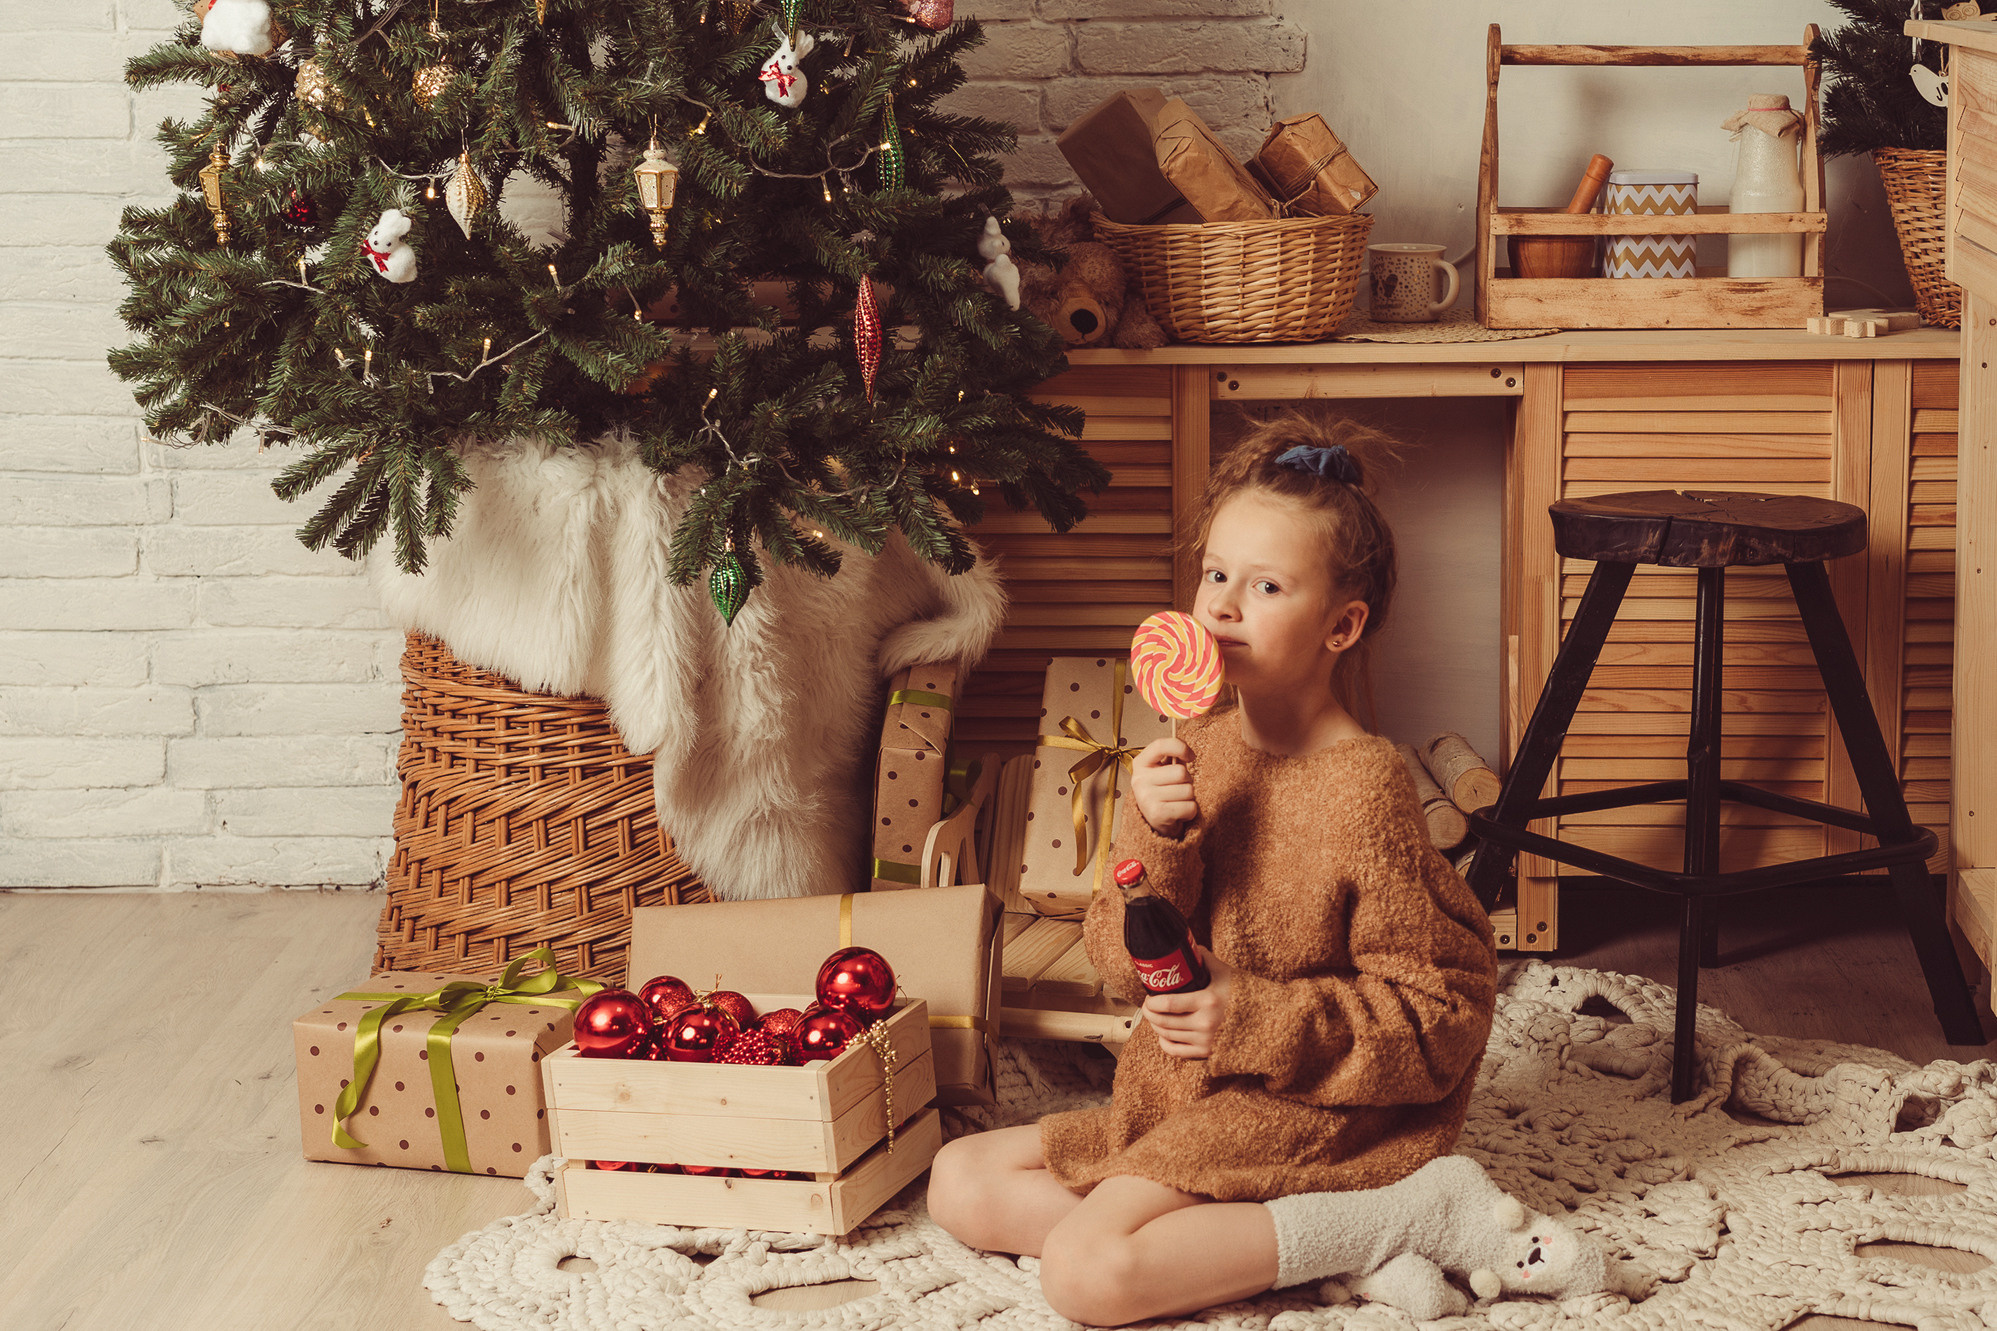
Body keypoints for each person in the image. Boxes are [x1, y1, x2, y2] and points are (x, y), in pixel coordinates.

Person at [926, 411, 1499, 1326]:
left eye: (1266, 585)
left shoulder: (1366, 788)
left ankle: (1392, 1214)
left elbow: (1443, 1014)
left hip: (1307, 1100)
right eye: (1215, 573)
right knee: (957, 1181)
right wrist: (1157, 838)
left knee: (1084, 1274)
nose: (1222, 605)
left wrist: (1256, 1015)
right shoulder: (1196, 747)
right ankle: (1291, 1242)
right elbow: (1124, 964)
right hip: (1184, 1092)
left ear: (1341, 625)